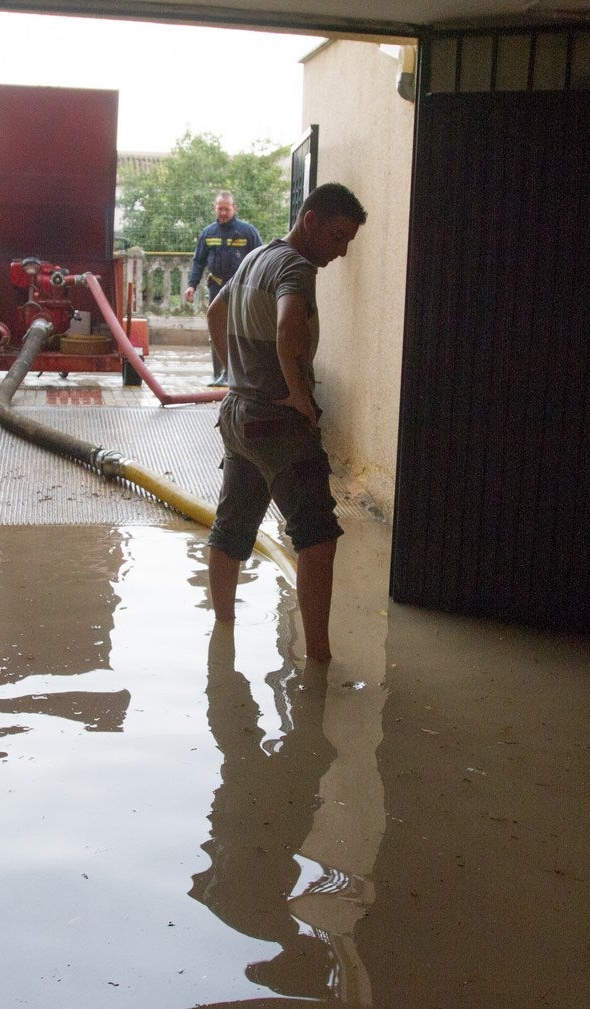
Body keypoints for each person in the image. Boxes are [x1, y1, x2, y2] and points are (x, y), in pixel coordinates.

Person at [205, 182, 366, 663]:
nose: (340, 251)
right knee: (316, 534)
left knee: (232, 527)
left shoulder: (257, 257)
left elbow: (215, 312)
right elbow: (288, 324)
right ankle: (319, 656)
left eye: (348, 242)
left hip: (237, 413)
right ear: (309, 220)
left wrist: (232, 371)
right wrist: (299, 396)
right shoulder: (295, 267)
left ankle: (223, 631)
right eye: (337, 236)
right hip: (276, 420)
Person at [185, 191, 261, 385]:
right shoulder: (208, 233)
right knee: (216, 329)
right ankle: (220, 374)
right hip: (217, 288)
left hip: (241, 288)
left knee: (239, 330)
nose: (223, 213)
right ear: (215, 209)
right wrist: (191, 285)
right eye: (220, 209)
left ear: (234, 208)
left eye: (227, 209)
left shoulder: (248, 231)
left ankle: (238, 375)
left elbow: (260, 259)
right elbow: (198, 261)